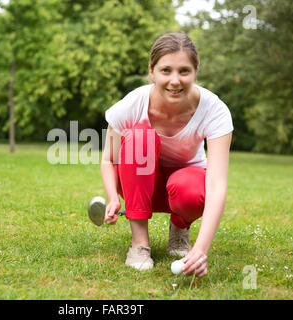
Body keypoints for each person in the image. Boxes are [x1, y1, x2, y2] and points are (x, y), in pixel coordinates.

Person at [100, 32, 233, 277]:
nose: (175, 80)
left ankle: (180, 229)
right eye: (165, 71)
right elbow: (109, 159)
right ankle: (139, 244)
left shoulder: (215, 110)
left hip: (183, 190)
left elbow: (216, 185)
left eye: (184, 71)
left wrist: (201, 250)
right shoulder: (132, 104)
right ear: (152, 71)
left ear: (196, 71)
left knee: (192, 190)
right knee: (140, 137)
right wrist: (112, 198)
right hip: (140, 185)